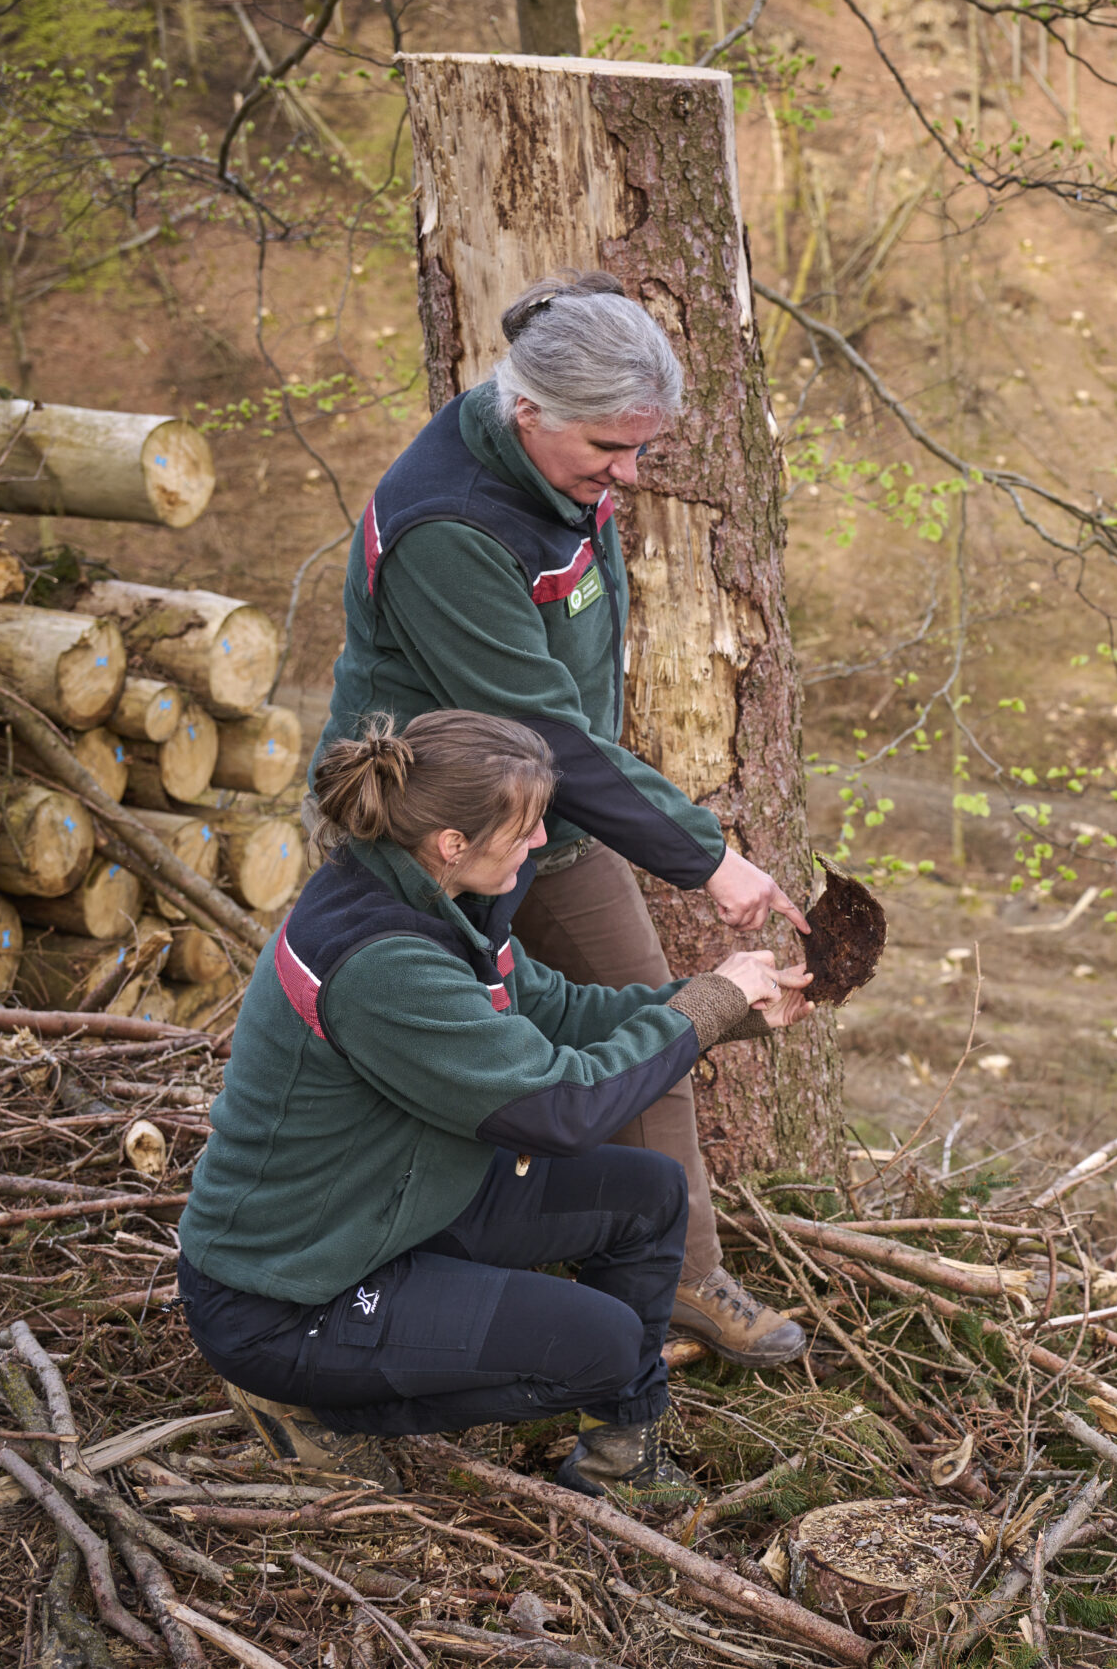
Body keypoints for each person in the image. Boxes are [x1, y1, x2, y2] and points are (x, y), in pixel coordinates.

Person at [321, 267, 809, 1367]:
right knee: (438, 1051)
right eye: (608, 450)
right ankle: (382, 1285)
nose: (627, 475)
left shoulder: (558, 462)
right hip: (430, 832)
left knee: (652, 1018)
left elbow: (557, 740)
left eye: (640, 449)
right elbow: (543, 728)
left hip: (552, 807)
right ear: (528, 408)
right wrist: (708, 858)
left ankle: (680, 1278)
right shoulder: (449, 526)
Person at [178, 711, 811, 1504]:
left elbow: (565, 1012)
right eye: (525, 827)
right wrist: (705, 1008)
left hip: (390, 1205)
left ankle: (620, 1463)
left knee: (648, 1194)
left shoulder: (441, 902)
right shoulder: (383, 962)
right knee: (606, 1344)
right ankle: (306, 1406)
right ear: (452, 841)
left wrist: (732, 1010)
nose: (542, 839)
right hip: (290, 1295)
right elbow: (562, 1109)